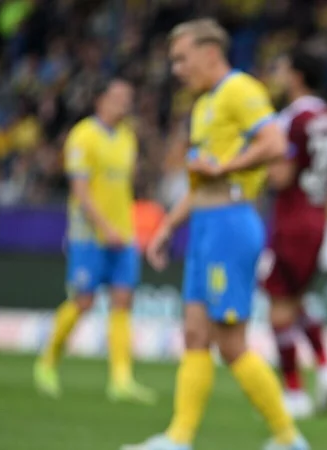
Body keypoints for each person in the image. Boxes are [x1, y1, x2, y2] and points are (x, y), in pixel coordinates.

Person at [122, 19, 308, 450]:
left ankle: (288, 438)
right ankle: (178, 438)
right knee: (194, 335)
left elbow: (275, 143)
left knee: (231, 343)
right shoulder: (205, 104)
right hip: (204, 225)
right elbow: (201, 182)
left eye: (181, 58)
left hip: (230, 224)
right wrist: (168, 226)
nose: (176, 69)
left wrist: (225, 167)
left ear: (209, 53)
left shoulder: (239, 89)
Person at [34, 78, 155, 404]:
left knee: (123, 300)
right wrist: (105, 228)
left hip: (123, 234)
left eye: (128, 97)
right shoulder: (83, 136)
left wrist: (123, 227)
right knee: (83, 302)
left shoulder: (128, 137)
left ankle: (121, 380)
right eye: (118, 96)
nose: (124, 103)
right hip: (89, 235)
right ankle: (47, 361)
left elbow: (124, 188)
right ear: (100, 100)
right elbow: (81, 192)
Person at [264, 47, 327, 418]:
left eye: (282, 67)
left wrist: (253, 161)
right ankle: (325, 367)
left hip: (291, 217)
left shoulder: (292, 118)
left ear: (296, 75)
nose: (278, 74)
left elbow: (280, 175)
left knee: (278, 304)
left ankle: (293, 392)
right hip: (317, 214)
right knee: (295, 299)